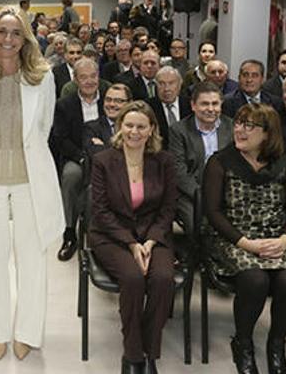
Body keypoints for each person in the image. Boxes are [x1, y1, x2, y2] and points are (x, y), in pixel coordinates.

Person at [0, 6, 64, 361]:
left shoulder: (43, 77)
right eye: (2, 32)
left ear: (26, 39)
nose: (8, 39)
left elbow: (43, 130)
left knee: (32, 261)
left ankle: (27, 332)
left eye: (15, 33)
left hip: (30, 181)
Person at [203, 103, 286, 374]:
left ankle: (276, 344)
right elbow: (212, 212)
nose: (239, 129)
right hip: (233, 238)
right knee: (254, 279)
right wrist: (245, 243)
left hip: (275, 238)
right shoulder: (220, 162)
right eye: (238, 123)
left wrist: (285, 240)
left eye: (249, 125)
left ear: (267, 133)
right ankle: (244, 342)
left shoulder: (283, 165)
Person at [89, 101, 177, 374]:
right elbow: (101, 211)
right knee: (132, 278)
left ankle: (149, 352)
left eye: (141, 126)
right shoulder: (103, 160)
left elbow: (168, 208)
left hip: (154, 234)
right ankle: (132, 355)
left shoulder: (165, 162)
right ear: (119, 127)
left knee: (163, 279)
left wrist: (149, 242)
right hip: (112, 235)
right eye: (129, 125)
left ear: (151, 129)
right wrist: (131, 243)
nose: (134, 132)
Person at [53, 58, 104, 261]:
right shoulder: (65, 105)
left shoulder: (109, 98)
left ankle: (100, 236)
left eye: (93, 76)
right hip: (77, 155)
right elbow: (60, 138)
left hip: (106, 156)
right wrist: (80, 157)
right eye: (84, 77)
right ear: (75, 80)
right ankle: (70, 233)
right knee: (71, 176)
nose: (90, 81)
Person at [169, 81, 234, 230]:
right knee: (196, 224)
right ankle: (196, 253)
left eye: (215, 104)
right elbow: (179, 171)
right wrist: (202, 195)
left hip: (226, 191)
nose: (211, 109)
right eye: (204, 104)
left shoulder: (231, 127)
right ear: (193, 105)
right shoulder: (179, 130)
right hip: (191, 193)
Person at [147, 66, 191, 151]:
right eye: (162, 83)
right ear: (156, 86)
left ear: (179, 85)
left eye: (171, 83)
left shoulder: (190, 105)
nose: (166, 88)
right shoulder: (149, 107)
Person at [84, 83, 132, 160]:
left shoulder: (135, 126)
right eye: (108, 100)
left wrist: (104, 147)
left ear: (130, 103)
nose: (112, 104)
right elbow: (98, 156)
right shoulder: (91, 127)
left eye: (118, 101)